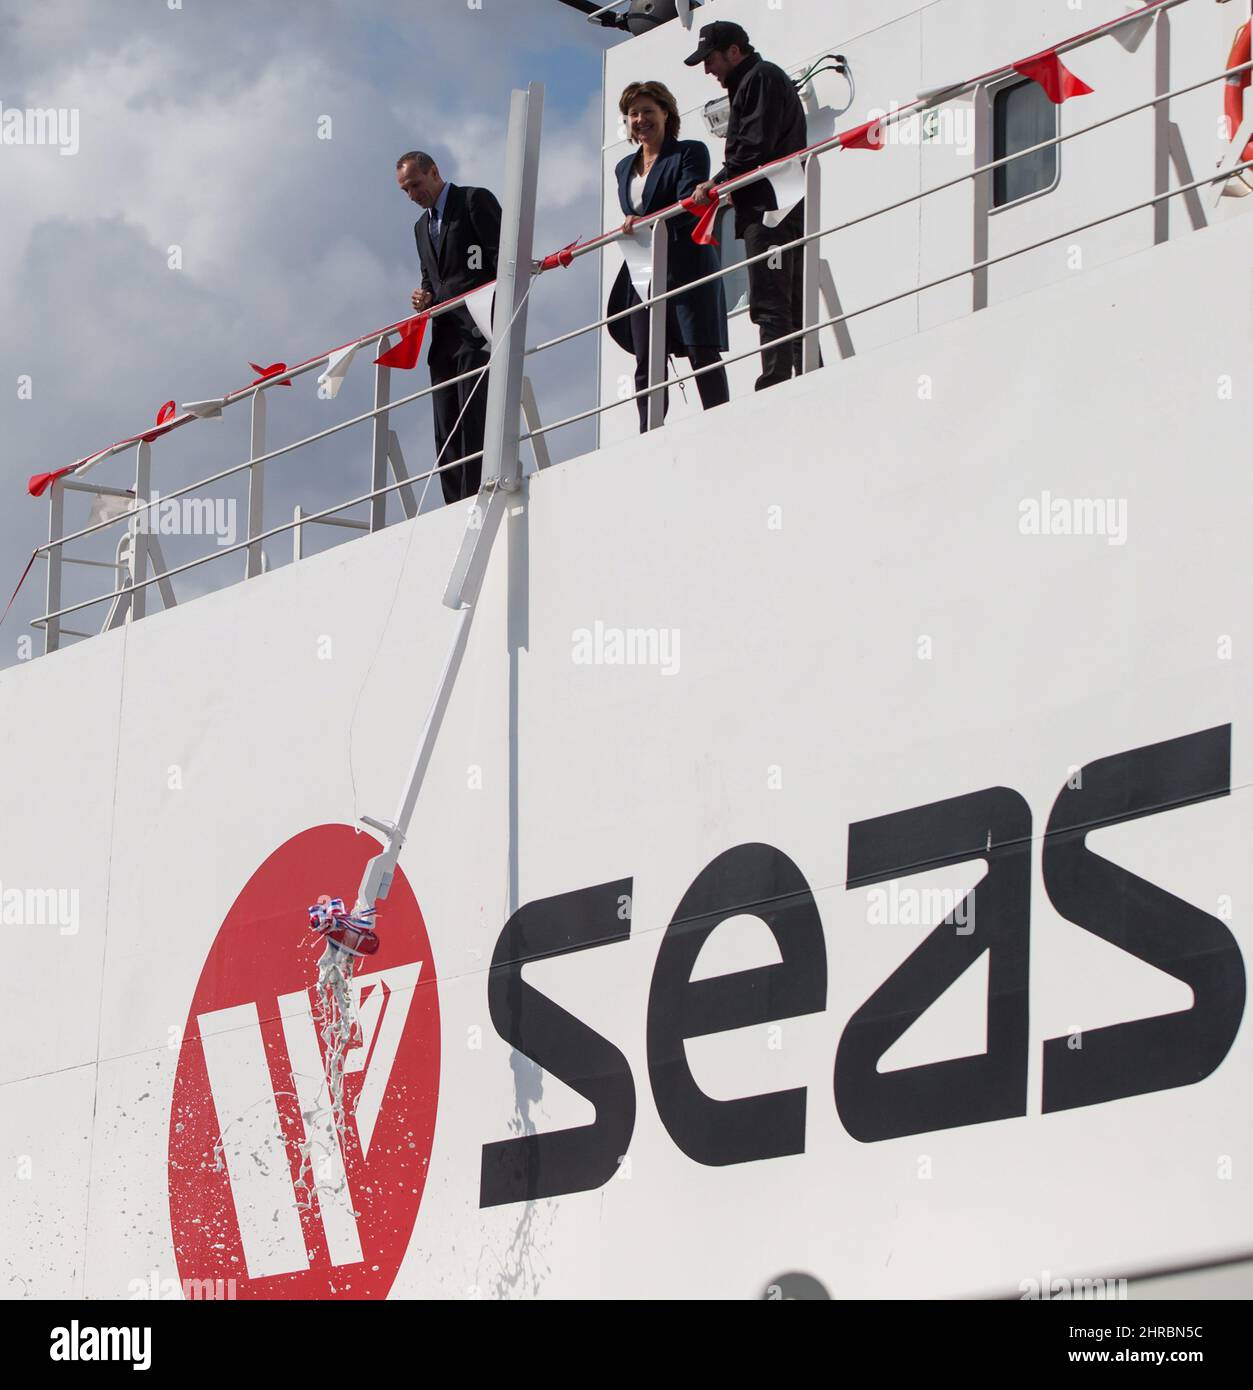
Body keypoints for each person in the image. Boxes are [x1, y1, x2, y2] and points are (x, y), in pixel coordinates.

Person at [685, 21, 811, 391]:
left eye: (710, 60)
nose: (708, 69)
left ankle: (777, 380)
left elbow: (754, 145)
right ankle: (805, 372)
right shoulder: (757, 79)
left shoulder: (759, 79)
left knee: (771, 298)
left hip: (770, 209)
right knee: (789, 297)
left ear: (733, 52)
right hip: (777, 204)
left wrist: (718, 182)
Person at [608, 82, 730, 433]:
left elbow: (686, 200)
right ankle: (650, 431)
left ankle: (720, 421)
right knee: (648, 359)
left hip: (685, 263)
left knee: (700, 350)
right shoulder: (622, 167)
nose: (640, 119)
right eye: (633, 113)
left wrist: (644, 220)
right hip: (642, 269)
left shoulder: (689, 152)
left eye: (648, 110)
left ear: (665, 113)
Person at [396, 151, 501, 503]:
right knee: (446, 423)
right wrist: (423, 297)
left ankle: (476, 496)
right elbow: (432, 278)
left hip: (478, 328)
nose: (412, 195)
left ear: (434, 172)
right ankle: (454, 504)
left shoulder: (474, 200)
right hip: (443, 337)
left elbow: (502, 258)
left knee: (473, 417)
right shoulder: (419, 228)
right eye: (405, 190)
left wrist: (496, 316)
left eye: (415, 184)